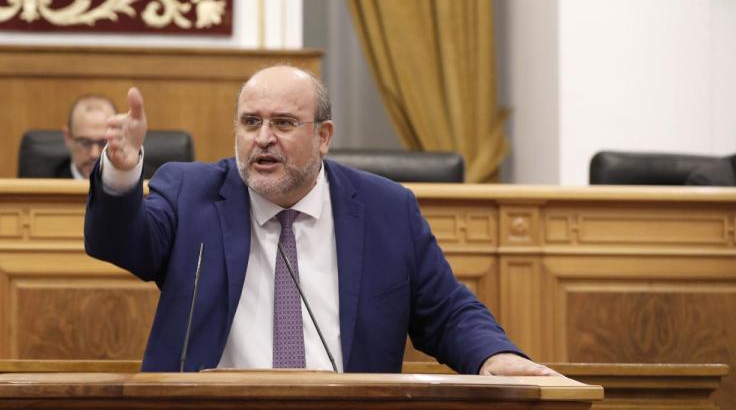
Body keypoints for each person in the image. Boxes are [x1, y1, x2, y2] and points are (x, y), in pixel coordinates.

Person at [85, 65, 555, 376]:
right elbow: (121, 242)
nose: (263, 138)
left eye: (284, 124)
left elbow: (447, 312)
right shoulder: (192, 194)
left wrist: (494, 356)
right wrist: (123, 172)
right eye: (250, 123)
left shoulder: (387, 210)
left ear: (324, 136)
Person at [57, 94, 117, 179]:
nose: (94, 154)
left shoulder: (135, 183)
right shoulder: (42, 185)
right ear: (68, 138)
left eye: (104, 143)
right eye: (85, 143)